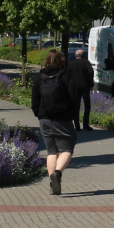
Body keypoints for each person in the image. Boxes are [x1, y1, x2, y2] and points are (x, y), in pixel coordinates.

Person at [31, 49, 76, 195]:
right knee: (67, 149)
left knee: (51, 151)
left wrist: (39, 114)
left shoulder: (40, 77)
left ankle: (52, 183)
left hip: (44, 118)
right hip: (62, 118)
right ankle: (57, 173)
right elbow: (73, 98)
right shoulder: (65, 76)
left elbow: (35, 100)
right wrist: (72, 114)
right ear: (61, 61)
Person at [66, 48, 94, 132]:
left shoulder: (70, 64)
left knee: (76, 106)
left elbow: (67, 75)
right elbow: (91, 72)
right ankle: (85, 124)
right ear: (82, 56)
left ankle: (77, 125)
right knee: (87, 106)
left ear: (75, 55)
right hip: (85, 87)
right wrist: (89, 80)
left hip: (74, 88)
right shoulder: (86, 62)